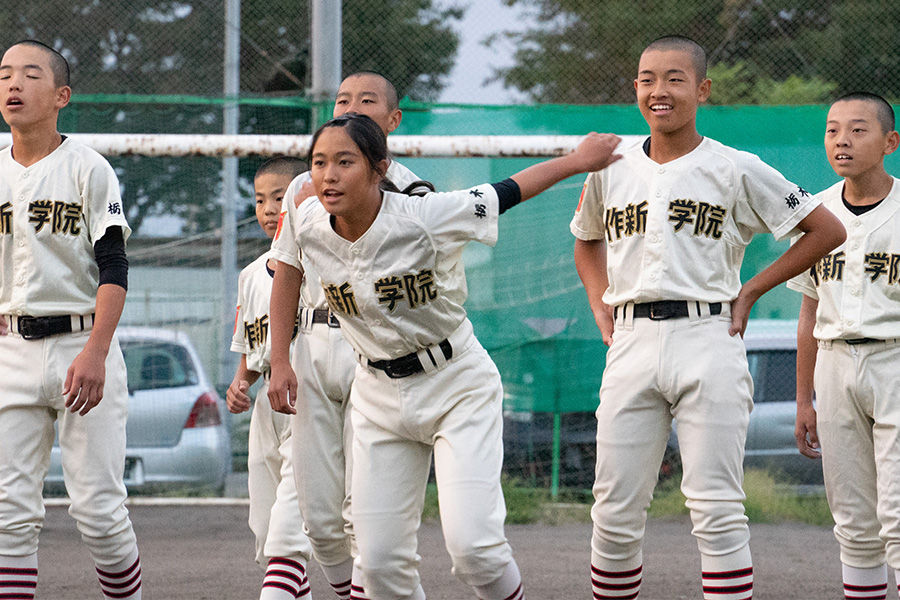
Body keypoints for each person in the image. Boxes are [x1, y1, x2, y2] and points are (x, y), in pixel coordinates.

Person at [268, 112, 622, 600]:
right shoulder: (307, 217)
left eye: (345, 162)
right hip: (376, 394)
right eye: (319, 162)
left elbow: (507, 190)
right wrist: (280, 359)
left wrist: (578, 161)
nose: (328, 175)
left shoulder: (425, 215)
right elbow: (288, 268)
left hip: (455, 383)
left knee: (475, 550)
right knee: (379, 565)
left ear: (379, 169)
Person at [570, 35, 846, 600]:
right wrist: (599, 304)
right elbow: (586, 239)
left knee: (716, 509)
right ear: (636, 88)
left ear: (702, 90)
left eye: (675, 78)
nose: (659, 90)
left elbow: (826, 229)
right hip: (631, 339)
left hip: (709, 334)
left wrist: (752, 290)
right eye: (648, 79)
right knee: (614, 511)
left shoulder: (734, 166)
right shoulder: (611, 165)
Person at [276, 71, 426, 600]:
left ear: (393, 119)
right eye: (343, 100)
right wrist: (279, 359)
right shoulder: (304, 188)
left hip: (375, 350)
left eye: (367, 100)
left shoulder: (415, 193)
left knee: (363, 513)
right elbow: (286, 272)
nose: (353, 108)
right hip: (313, 343)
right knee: (317, 519)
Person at [0, 40, 142, 599]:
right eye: (5, 74)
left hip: (82, 344)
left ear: (61, 96)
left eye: (29, 74)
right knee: (8, 513)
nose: (14, 84)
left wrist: (97, 352)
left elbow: (115, 266)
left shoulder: (88, 168)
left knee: (99, 512)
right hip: (11, 348)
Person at [790, 93, 900, 600]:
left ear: (890, 142)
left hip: (894, 360)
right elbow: (808, 312)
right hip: (834, 363)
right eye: (833, 130)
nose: (842, 141)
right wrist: (803, 400)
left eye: (858, 130)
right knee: (854, 521)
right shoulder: (817, 212)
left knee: (897, 515)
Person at [227, 156, 314, 600]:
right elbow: (251, 346)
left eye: (279, 197)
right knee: (265, 529)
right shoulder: (250, 275)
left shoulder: (320, 261)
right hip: (268, 405)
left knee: (288, 535)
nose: (268, 209)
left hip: (310, 398)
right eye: (260, 200)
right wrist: (239, 382)